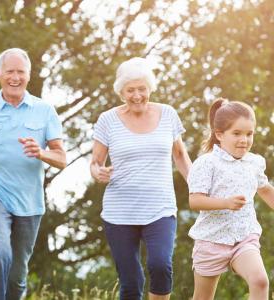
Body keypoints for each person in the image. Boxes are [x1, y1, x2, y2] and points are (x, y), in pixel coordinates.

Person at [90, 57, 191, 300]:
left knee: (160, 265)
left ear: (150, 88)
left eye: (142, 89)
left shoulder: (167, 114)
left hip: (160, 208)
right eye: (130, 90)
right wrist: (98, 172)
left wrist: (199, 188)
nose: (137, 95)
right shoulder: (107, 120)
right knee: (131, 282)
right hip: (119, 212)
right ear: (121, 92)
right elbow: (95, 162)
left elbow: (180, 155)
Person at [0, 48, 67, 300]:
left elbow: (61, 158)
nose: (15, 77)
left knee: (17, 275)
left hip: (30, 202)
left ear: (29, 75)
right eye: (9, 72)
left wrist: (41, 153)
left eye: (20, 72)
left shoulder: (44, 110)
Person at [188, 98, 274, 300]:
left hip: (244, 237)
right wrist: (225, 203)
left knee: (260, 280)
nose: (244, 140)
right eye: (237, 133)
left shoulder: (254, 162)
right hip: (211, 240)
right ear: (219, 135)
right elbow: (195, 201)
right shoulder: (206, 163)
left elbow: (266, 190)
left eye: (249, 134)